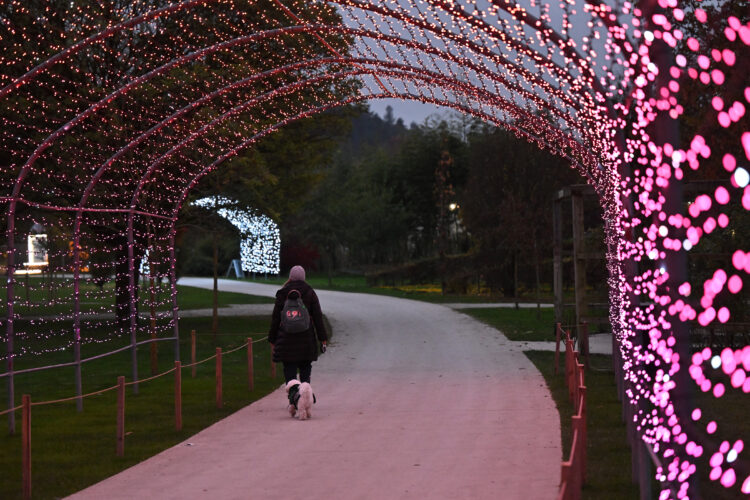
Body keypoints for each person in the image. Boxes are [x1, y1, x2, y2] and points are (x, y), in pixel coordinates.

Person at [269, 265, 328, 385]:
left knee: (289, 369)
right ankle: (305, 393)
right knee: (305, 368)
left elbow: (276, 318)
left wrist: (272, 338)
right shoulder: (310, 292)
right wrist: (323, 338)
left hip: (286, 339)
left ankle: (293, 396)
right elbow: (317, 317)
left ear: (290, 277)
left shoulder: (283, 293)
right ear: (304, 278)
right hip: (306, 339)